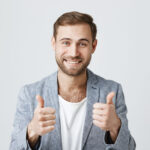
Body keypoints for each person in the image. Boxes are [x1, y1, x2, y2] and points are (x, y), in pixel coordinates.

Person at [9, 11, 136, 150]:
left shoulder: (111, 91)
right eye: (66, 43)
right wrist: (31, 131)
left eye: (82, 44)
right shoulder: (29, 94)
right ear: (54, 43)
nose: (74, 53)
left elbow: (129, 147)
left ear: (93, 46)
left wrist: (115, 127)